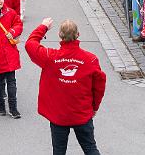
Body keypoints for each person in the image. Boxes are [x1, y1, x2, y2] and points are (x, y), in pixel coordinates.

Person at [25, 18, 106, 155]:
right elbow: (99, 87)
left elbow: (30, 44)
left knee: (59, 150)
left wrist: (43, 27)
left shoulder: (50, 57)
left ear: (60, 35)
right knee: (90, 148)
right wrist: (94, 107)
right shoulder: (90, 59)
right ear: (78, 35)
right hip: (82, 114)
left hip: (58, 116)